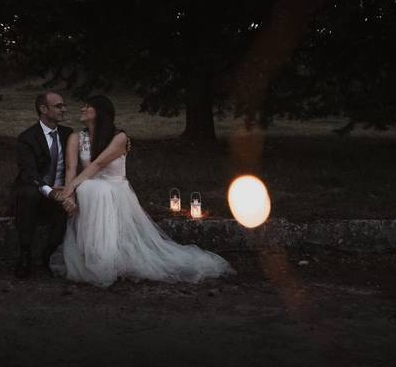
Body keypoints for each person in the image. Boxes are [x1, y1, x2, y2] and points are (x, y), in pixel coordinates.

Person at [52, 95, 233, 287]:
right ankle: (94, 256)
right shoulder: (75, 137)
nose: (82, 109)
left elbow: (98, 164)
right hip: (90, 192)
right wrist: (69, 197)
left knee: (93, 188)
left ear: (101, 112)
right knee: (91, 188)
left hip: (114, 189)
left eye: (88, 106)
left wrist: (68, 190)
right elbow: (71, 169)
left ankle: (106, 259)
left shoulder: (119, 137)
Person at [12, 91, 75, 278]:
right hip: (34, 188)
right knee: (29, 196)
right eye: (58, 106)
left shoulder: (67, 134)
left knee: (63, 209)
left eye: (63, 105)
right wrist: (50, 192)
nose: (64, 109)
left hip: (60, 189)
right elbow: (28, 172)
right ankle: (25, 254)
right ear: (43, 109)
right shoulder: (27, 138)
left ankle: (47, 256)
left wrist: (67, 191)